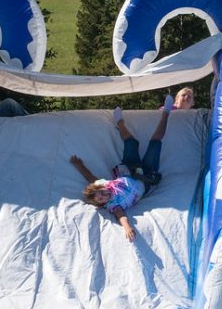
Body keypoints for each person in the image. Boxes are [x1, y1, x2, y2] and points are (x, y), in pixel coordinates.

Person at [69, 100, 171, 243]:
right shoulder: (113, 205)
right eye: (101, 198)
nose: (104, 194)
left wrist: (79, 165)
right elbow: (121, 216)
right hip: (145, 176)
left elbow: (90, 177)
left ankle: (120, 121)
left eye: (102, 191)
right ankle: (166, 113)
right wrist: (127, 228)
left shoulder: (103, 184)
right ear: (101, 204)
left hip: (130, 168)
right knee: (155, 142)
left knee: (131, 142)